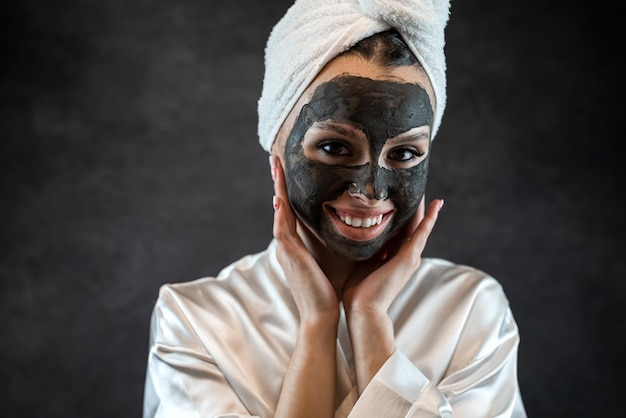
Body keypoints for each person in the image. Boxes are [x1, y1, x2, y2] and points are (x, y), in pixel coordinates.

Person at [142, 0, 526, 417]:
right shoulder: (195, 320)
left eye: (405, 153)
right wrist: (317, 325)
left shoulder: (469, 309)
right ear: (277, 145)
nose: (372, 190)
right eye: (334, 147)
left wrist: (370, 320)